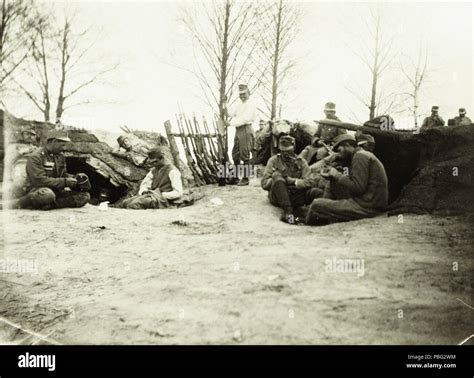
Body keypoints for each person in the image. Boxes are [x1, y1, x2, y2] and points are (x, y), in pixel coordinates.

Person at [306, 134, 388, 225]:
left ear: (347, 145)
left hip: (368, 207)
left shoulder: (360, 156)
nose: (339, 155)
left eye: (340, 150)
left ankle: (311, 228)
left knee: (316, 205)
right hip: (369, 202)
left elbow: (358, 188)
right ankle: (326, 214)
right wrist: (333, 177)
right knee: (333, 183)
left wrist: (337, 175)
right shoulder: (361, 155)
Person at [9, 130, 90, 210]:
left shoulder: (60, 157)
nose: (64, 148)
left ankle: (51, 205)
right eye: (62, 145)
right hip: (39, 189)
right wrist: (65, 182)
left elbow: (63, 174)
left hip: (56, 190)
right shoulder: (36, 156)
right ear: (54, 141)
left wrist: (75, 178)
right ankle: (25, 202)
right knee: (47, 195)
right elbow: (39, 181)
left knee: (85, 196)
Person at [261, 135, 320, 224]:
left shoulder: (301, 162)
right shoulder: (273, 160)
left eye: (288, 151)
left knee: (316, 191)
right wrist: (277, 180)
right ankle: (288, 212)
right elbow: (264, 183)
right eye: (283, 151)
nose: (285, 154)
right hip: (278, 196)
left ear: (294, 148)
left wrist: (292, 181)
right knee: (277, 175)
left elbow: (310, 181)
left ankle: (312, 213)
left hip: (296, 194)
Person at [227, 84, 259, 186]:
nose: (242, 96)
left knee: (245, 155)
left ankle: (246, 179)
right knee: (235, 154)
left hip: (246, 128)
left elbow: (245, 118)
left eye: (244, 94)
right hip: (238, 130)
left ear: (248, 92)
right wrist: (225, 104)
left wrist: (231, 123)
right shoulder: (239, 104)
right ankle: (236, 177)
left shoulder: (251, 104)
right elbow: (231, 113)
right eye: (240, 94)